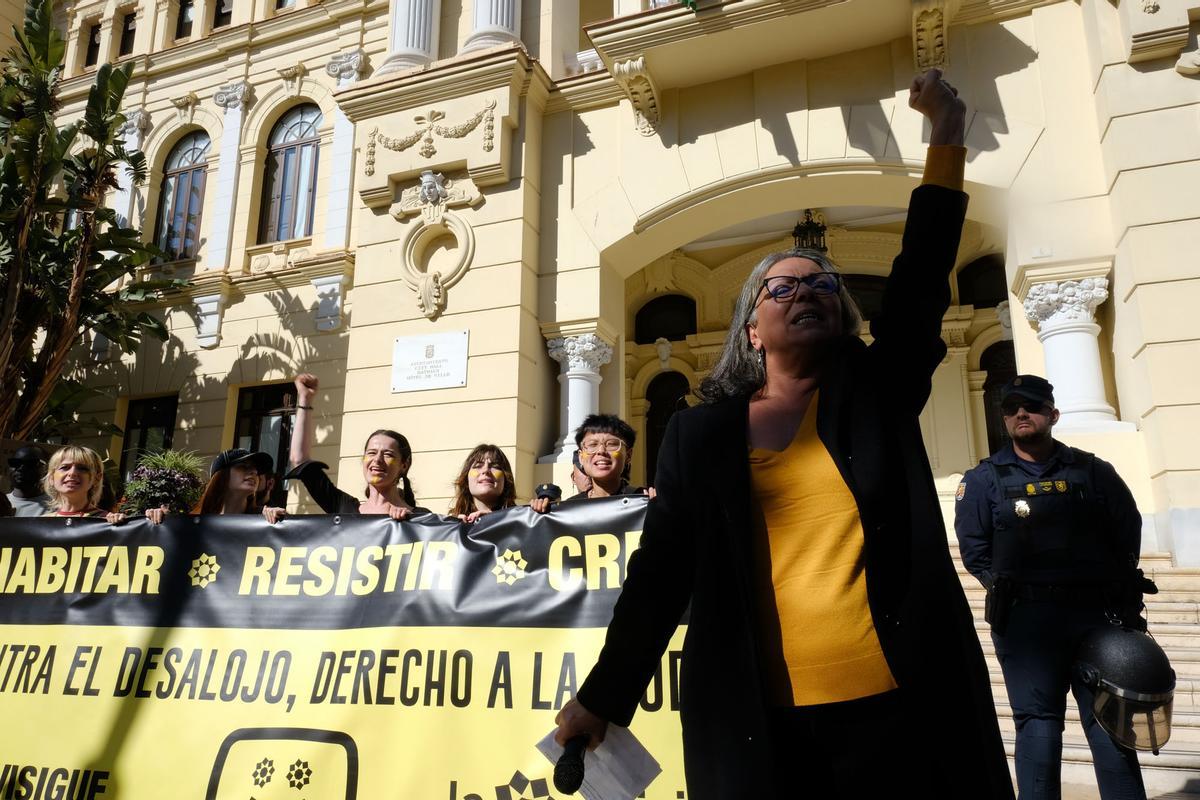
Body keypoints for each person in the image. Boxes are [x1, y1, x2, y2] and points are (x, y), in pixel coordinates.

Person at [554, 68, 1012, 799]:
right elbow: (661, 577)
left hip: (901, 714)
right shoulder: (697, 436)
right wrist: (603, 697)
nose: (808, 291)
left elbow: (923, 273)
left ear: (844, 315)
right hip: (758, 726)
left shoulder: (877, 393)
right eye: (784, 286)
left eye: (824, 284)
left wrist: (948, 137)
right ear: (752, 330)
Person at [955, 374, 1148, 799]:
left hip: (1097, 620)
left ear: (1053, 414)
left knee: (1110, 727)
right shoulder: (983, 480)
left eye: (1032, 406)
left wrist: (1116, 589)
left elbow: (1126, 531)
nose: (1021, 413)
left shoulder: (1094, 471)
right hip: (1027, 625)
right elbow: (975, 550)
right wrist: (1009, 589)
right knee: (1038, 728)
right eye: (1011, 408)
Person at [286, 373, 424, 518]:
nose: (377, 460)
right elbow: (300, 461)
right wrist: (305, 398)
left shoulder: (420, 518)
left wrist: (411, 524)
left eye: (388, 454)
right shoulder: (344, 508)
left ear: (404, 465)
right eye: (371, 453)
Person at [193, 449, 287, 522]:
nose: (254, 472)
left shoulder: (264, 519)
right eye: (243, 466)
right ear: (221, 476)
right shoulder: (196, 523)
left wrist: (277, 517)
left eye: (256, 470)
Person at [42, 445, 125, 523]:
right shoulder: (41, 523)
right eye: (64, 467)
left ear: (96, 478)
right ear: (51, 478)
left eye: (82, 468)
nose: (72, 473)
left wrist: (120, 524)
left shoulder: (105, 521)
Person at [448, 444, 517, 522]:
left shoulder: (522, 521)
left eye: (495, 466)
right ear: (466, 480)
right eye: (478, 466)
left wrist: (496, 522)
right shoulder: (449, 524)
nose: (486, 470)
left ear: (506, 479)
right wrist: (456, 528)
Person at [7, 446, 53, 517]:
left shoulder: (57, 507)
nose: (21, 468)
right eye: (15, 463)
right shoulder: (2, 503)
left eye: (31, 463)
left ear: (46, 470)